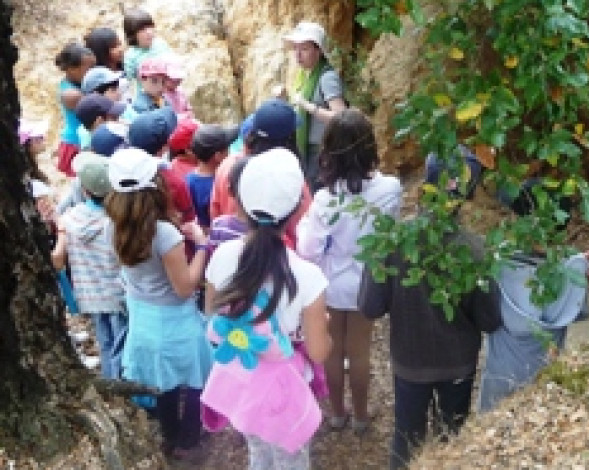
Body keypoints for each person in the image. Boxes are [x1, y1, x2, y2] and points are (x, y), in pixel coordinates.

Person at [358, 155, 502, 470]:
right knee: (452, 437)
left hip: (409, 361)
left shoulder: (392, 243)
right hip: (458, 364)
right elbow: (490, 320)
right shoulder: (475, 249)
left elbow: (369, 306)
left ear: (425, 186)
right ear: (466, 194)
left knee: (406, 436)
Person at [201, 149, 332, 470]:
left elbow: (211, 314)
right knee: (291, 459)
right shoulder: (308, 276)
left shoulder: (221, 256)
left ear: (241, 204)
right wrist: (321, 326)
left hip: (242, 377)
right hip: (286, 386)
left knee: (258, 452)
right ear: (300, 207)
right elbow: (318, 352)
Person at [297, 109, 401, 433]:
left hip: (331, 279)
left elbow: (309, 249)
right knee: (360, 350)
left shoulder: (326, 199)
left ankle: (337, 413)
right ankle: (360, 415)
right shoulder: (391, 189)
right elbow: (390, 235)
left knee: (331, 350)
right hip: (368, 279)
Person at [104, 147, 212, 460]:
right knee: (193, 379)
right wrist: (202, 245)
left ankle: (169, 435)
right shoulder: (163, 233)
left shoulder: (114, 225)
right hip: (174, 320)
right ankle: (189, 439)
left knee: (163, 382)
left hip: (143, 316)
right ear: (155, 184)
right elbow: (184, 287)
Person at [477, 180, 589, 412]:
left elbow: (484, 319)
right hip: (543, 381)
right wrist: (581, 271)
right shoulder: (571, 273)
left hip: (501, 379)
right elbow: (578, 313)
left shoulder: (498, 267)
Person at [51, 152, 127, 379]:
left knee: (104, 341)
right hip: (117, 294)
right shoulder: (116, 222)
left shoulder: (70, 219)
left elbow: (60, 256)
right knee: (121, 342)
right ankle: (124, 385)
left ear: (84, 190)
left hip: (90, 295)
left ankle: (110, 383)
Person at [209, 98, 311, 249]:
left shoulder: (227, 166)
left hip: (230, 252)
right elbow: (303, 232)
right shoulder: (291, 179)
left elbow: (215, 212)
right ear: (290, 138)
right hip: (276, 261)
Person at [283, 21, 346, 187]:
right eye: (296, 48)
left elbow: (341, 117)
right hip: (308, 150)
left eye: (304, 49)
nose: (298, 54)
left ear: (318, 50)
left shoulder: (327, 77)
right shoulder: (305, 76)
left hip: (322, 152)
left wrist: (307, 106)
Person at [55, 43, 96, 176]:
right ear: (72, 69)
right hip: (77, 143)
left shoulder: (78, 83)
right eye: (89, 68)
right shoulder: (71, 94)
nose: (93, 71)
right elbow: (99, 106)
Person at [187, 124, 237, 230]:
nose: (230, 151)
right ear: (218, 156)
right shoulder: (221, 182)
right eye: (227, 148)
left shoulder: (188, 180)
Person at [123, 8, 170, 96]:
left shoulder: (161, 44)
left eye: (150, 27)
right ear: (132, 34)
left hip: (169, 92)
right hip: (147, 98)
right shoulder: (130, 55)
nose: (149, 32)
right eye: (142, 29)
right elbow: (129, 83)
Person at [18, 119, 55, 228]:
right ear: (27, 146)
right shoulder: (34, 184)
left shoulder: (31, 171)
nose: (43, 138)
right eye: (38, 138)